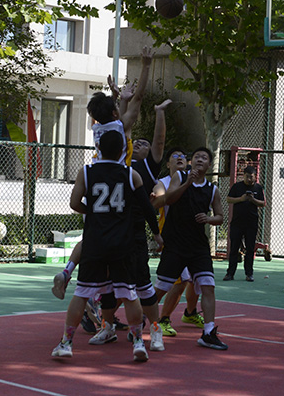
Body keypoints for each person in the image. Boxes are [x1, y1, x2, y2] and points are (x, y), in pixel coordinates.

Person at [52, 48, 152, 300]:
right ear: (115, 113)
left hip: (96, 182)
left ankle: (67, 271)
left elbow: (118, 112)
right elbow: (139, 99)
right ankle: (107, 298)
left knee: (91, 237)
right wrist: (146, 66)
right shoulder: (120, 127)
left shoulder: (99, 128)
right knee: (119, 248)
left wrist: (118, 97)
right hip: (118, 185)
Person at [51, 130, 155, 362]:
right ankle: (139, 342)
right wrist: (157, 234)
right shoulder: (131, 174)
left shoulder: (87, 172)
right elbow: (147, 208)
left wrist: (94, 212)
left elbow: (74, 203)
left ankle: (66, 343)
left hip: (95, 241)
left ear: (98, 149)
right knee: (129, 294)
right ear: (122, 151)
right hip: (122, 242)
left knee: (81, 293)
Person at [88, 99, 171, 351]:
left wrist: (155, 232)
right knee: (109, 286)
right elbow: (122, 125)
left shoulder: (143, 167)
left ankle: (154, 331)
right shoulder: (105, 167)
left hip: (132, 232)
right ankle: (107, 327)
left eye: (145, 144)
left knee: (142, 283)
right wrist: (122, 99)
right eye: (137, 142)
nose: (141, 144)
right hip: (109, 232)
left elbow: (146, 206)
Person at [153, 147, 228, 350]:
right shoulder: (179, 177)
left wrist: (209, 219)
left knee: (208, 286)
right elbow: (168, 199)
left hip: (198, 247)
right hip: (175, 244)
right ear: (191, 162)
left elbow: (220, 217)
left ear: (209, 164)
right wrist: (187, 184)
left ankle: (208, 332)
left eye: (204, 158)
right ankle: (142, 321)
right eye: (196, 157)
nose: (200, 160)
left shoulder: (212, 189)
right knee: (161, 288)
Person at [152, 147, 202, 337]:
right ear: (168, 164)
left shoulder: (194, 180)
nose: (180, 158)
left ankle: (190, 312)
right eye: (175, 156)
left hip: (189, 237)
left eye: (183, 156)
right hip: (171, 237)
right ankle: (160, 318)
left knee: (195, 278)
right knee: (178, 281)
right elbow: (157, 201)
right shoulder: (162, 183)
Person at [224, 165, 266, 282]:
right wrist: (241, 199)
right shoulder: (237, 187)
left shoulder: (258, 188)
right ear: (243, 176)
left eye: (251, 177)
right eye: (247, 177)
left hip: (251, 223)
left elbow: (263, 203)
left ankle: (249, 273)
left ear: (255, 177)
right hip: (237, 222)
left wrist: (253, 200)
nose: (249, 179)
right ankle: (230, 273)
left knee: (250, 249)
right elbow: (228, 199)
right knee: (234, 248)